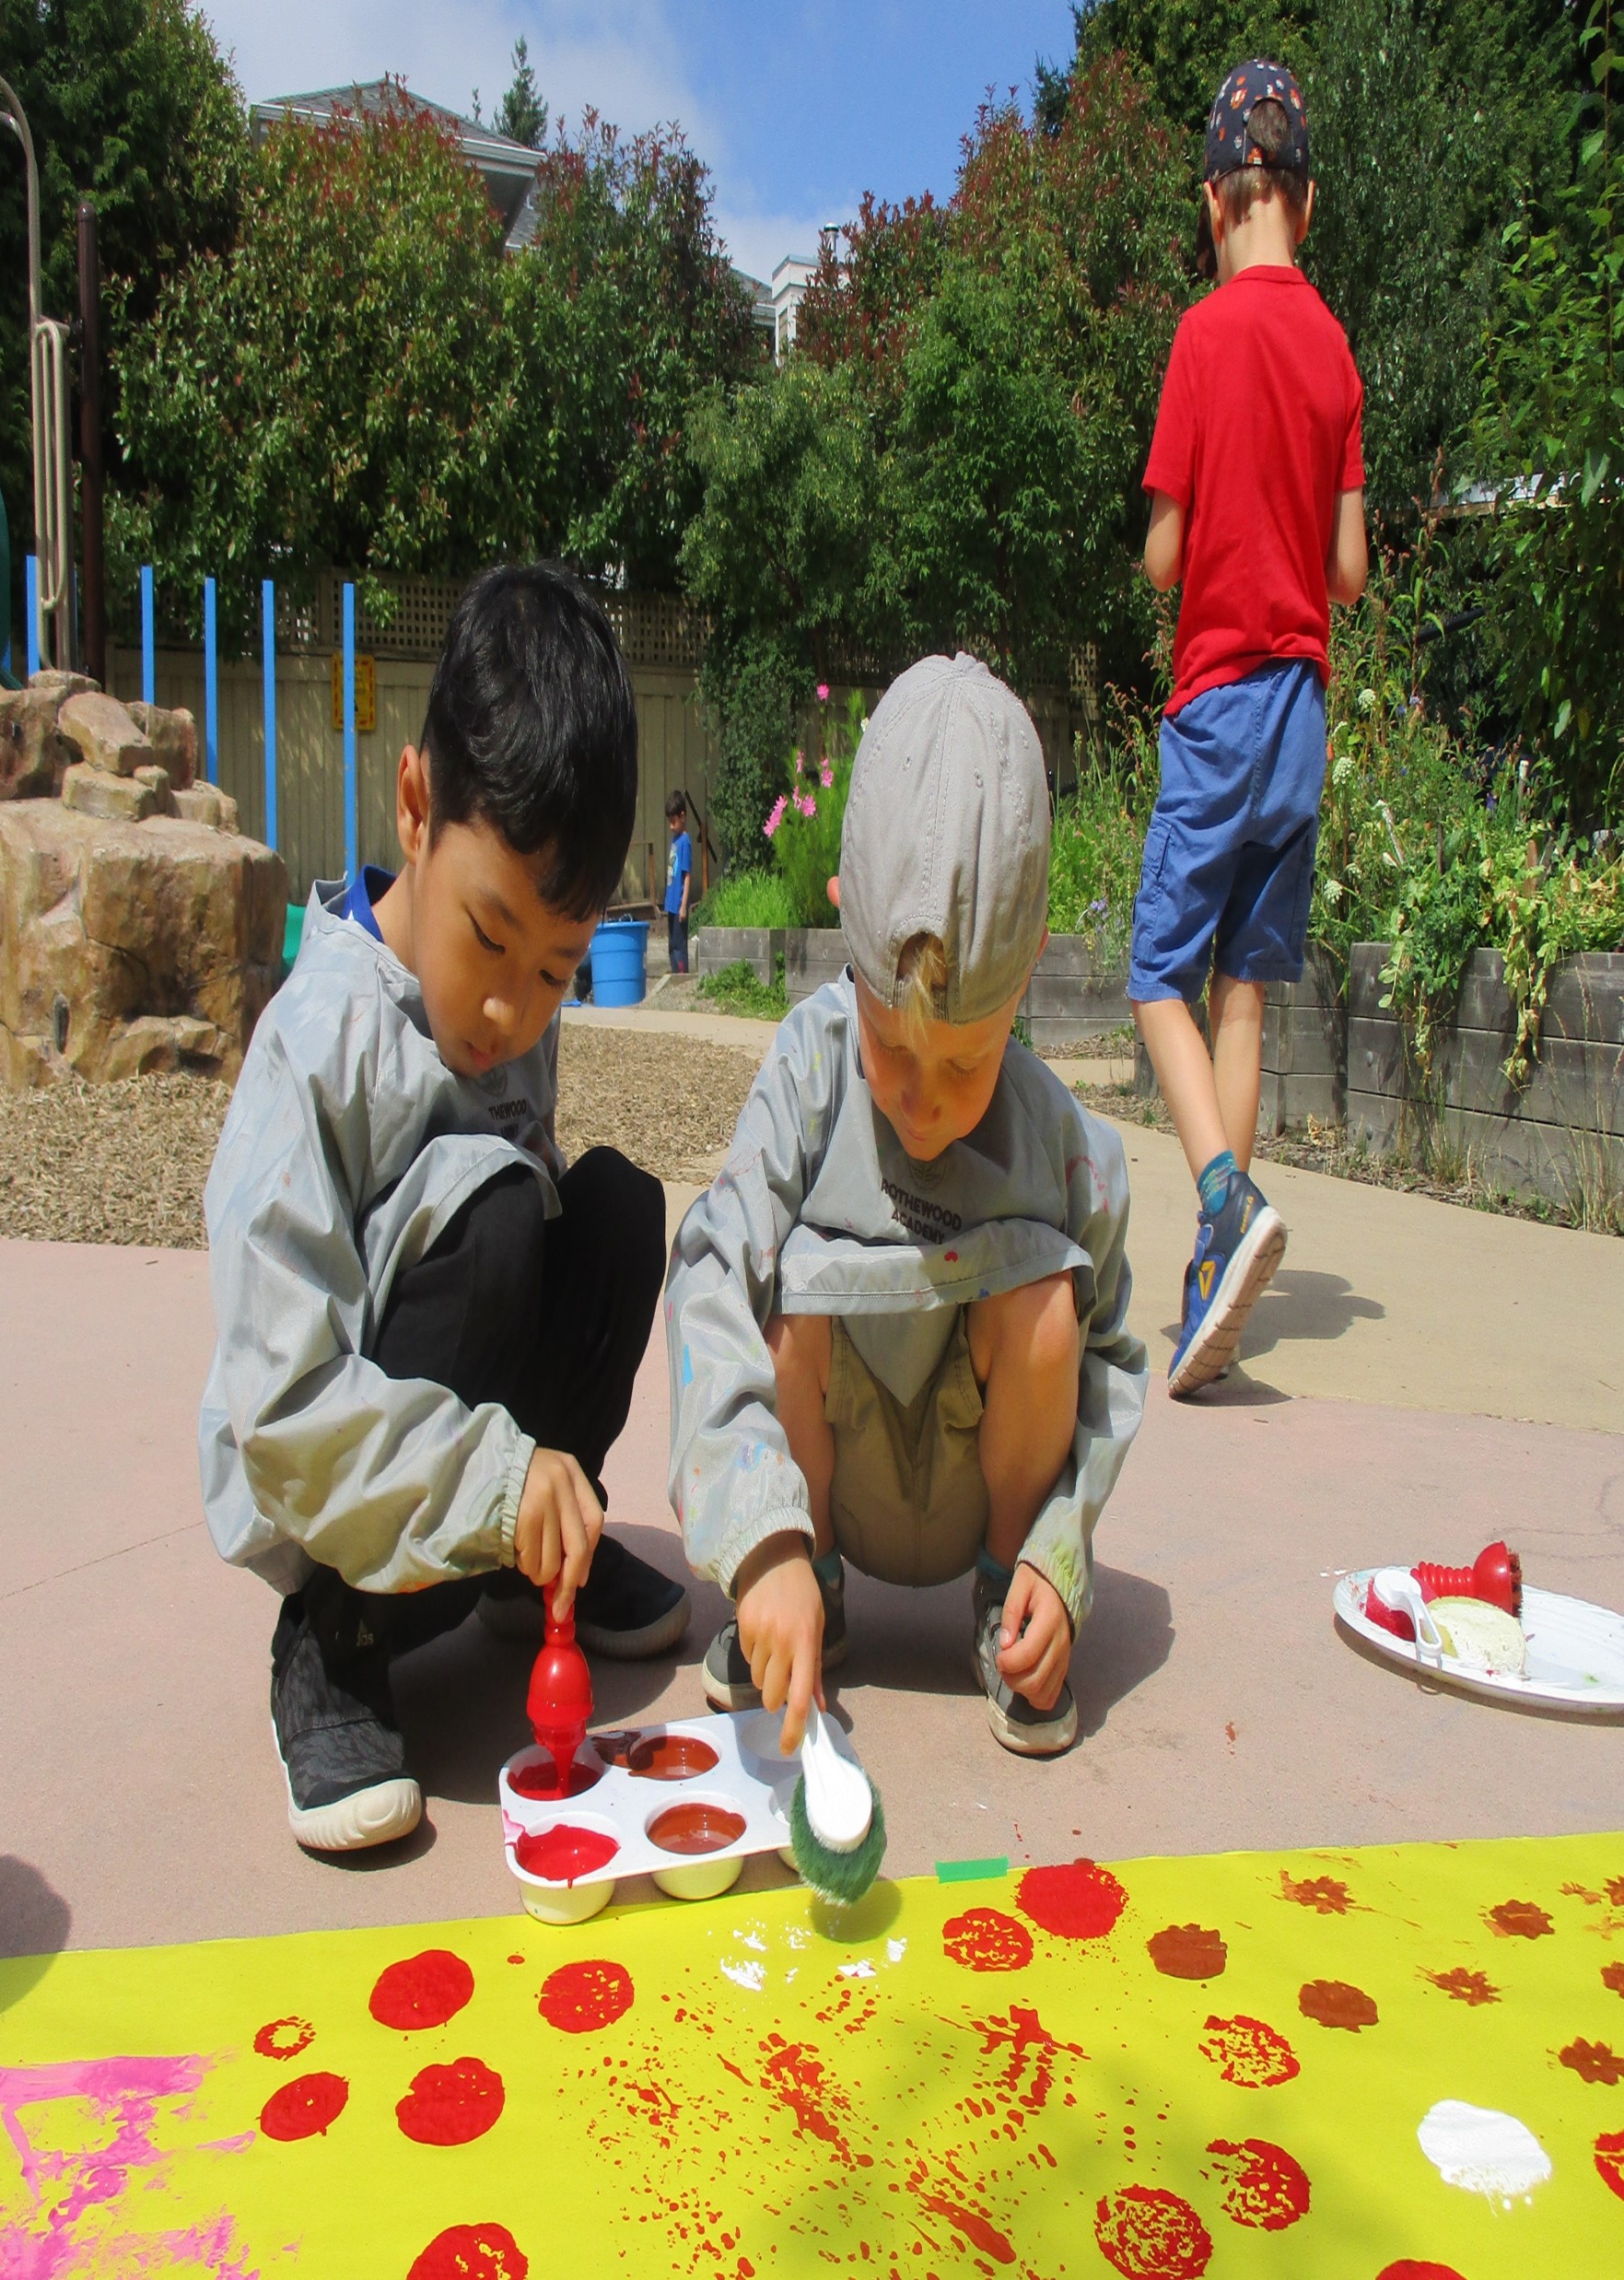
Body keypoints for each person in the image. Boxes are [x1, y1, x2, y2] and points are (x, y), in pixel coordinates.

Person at [200, 564, 689, 1856]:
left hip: (468, 1476)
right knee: (488, 1221)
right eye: (490, 938)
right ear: (416, 805)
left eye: (556, 970)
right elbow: (282, 1406)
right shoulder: (316, 1044)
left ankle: (539, 1570)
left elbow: (534, 1256)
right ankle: (331, 1648)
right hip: (341, 1518)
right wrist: (490, 1471)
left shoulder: (508, 1011)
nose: (511, 1013)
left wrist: (527, 1481)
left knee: (612, 1210)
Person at [666, 653, 1147, 1760]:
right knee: (776, 1298)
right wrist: (759, 1539)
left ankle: (1005, 1611)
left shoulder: (1063, 1146)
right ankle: (807, 1600)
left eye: (967, 1067)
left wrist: (1059, 1557)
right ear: (844, 936)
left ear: (1027, 973)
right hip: (829, 1490)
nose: (925, 1105)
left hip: (988, 1498)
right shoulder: (805, 1072)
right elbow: (707, 1277)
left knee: (1048, 1310)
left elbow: (1114, 1365)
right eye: (891, 1049)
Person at [1132, 58, 1368, 1399]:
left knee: (1155, 967)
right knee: (1244, 983)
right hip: (1301, 718)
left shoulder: (1200, 337)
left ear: (1213, 203)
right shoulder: (1332, 348)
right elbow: (1344, 570)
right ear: (1305, 202)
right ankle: (1214, 1273)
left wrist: (1179, 525)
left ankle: (1222, 1198)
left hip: (1216, 700)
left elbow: (1165, 554)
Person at [663, 789, 693, 976]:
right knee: (671, 944)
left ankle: (682, 975)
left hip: (679, 904)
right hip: (670, 903)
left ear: (682, 817)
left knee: (680, 944)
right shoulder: (675, 840)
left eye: (673, 822)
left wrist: (683, 906)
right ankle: (674, 974)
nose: (671, 826)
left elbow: (687, 875)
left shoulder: (685, 842)